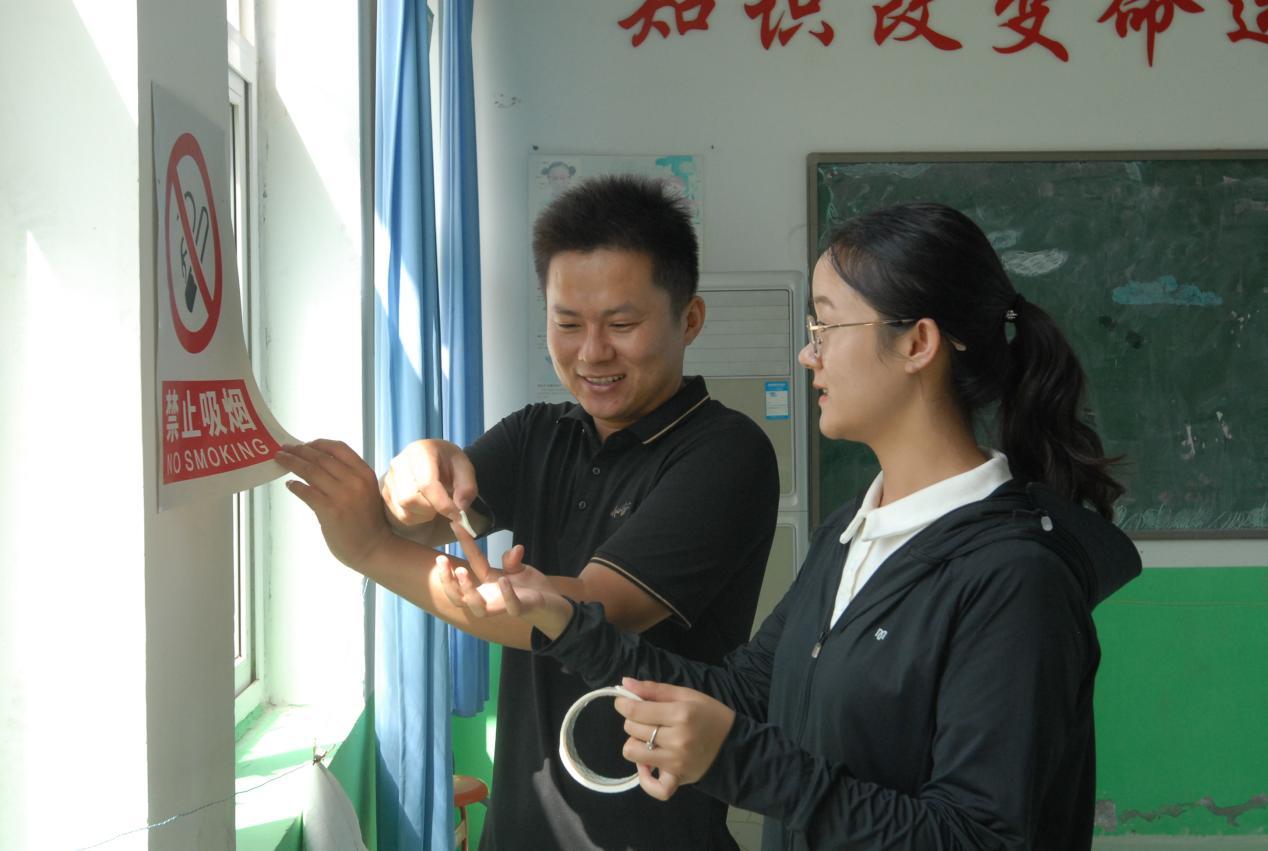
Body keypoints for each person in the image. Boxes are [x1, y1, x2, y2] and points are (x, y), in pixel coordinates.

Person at [441, 202, 1143, 850]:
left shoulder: (1016, 578)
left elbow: (978, 836)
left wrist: (735, 757)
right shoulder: (853, 532)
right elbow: (743, 693)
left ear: (918, 342)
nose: (809, 354)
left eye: (827, 326)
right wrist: (566, 622)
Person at [276, 174, 780, 850]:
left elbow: (588, 614)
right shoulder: (541, 431)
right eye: (567, 323)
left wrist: (369, 550)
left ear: (688, 318)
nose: (591, 351)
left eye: (622, 325)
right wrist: (411, 473)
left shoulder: (726, 453)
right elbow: (421, 518)